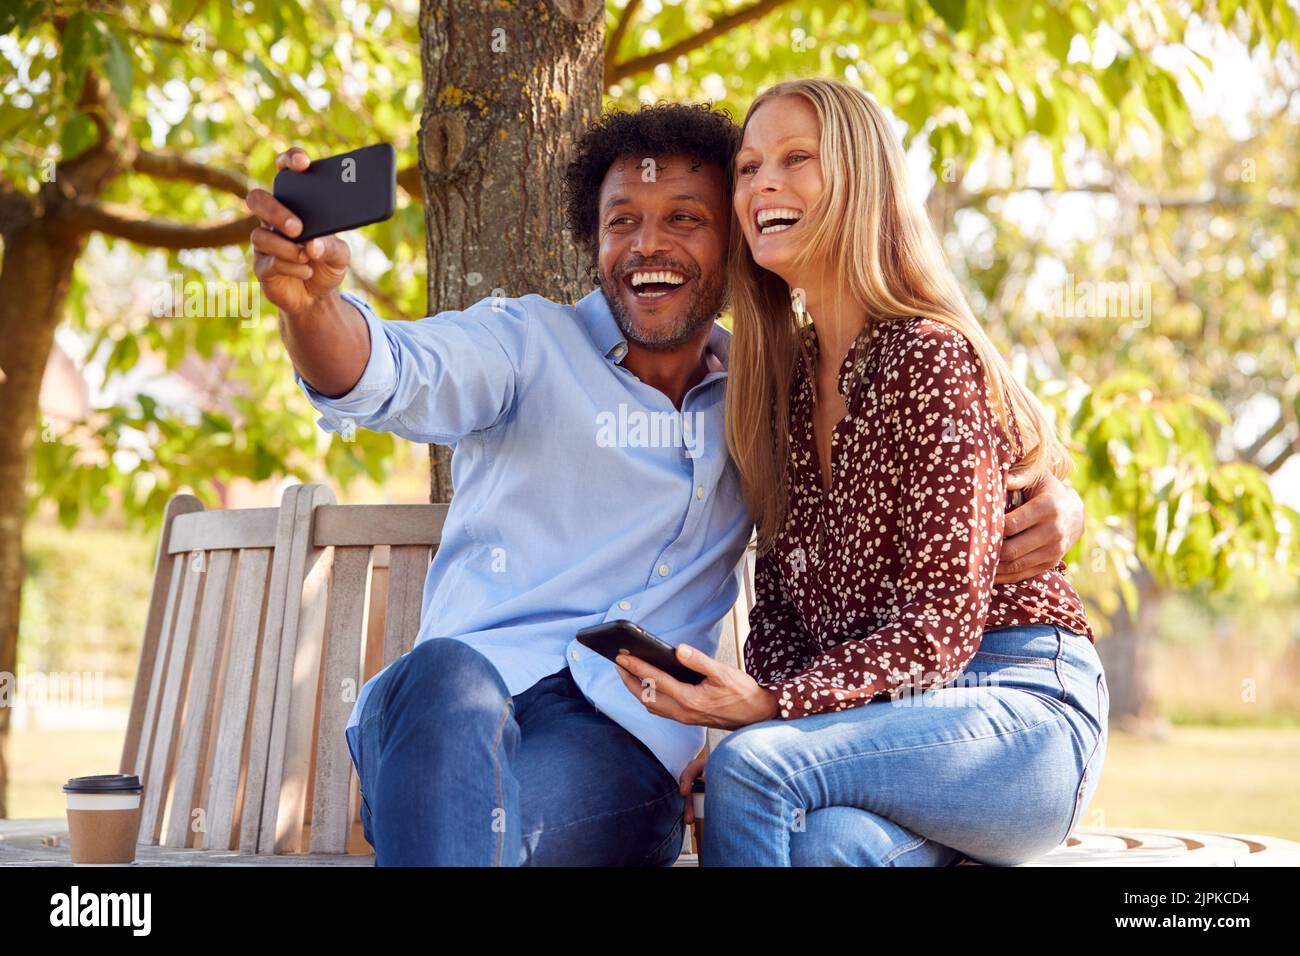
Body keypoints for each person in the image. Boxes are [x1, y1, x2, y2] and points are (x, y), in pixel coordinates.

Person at [244, 101, 1085, 866]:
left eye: (686, 219)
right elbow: (385, 369)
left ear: (732, 246)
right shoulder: (523, 348)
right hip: (448, 723)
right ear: (596, 241)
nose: (649, 245)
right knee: (446, 678)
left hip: (615, 744)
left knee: (502, 838)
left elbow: (968, 437)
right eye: (623, 222)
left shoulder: (764, 393)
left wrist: (1059, 506)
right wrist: (309, 307)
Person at [612, 80, 1108, 867]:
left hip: (1012, 710)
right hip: (877, 726)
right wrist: (774, 720)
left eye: (795, 159)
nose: (761, 183)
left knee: (752, 770)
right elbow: (777, 612)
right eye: (747, 167)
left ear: (861, 180)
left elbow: (945, 626)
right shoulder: (782, 385)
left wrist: (773, 720)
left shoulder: (930, 359)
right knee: (821, 848)